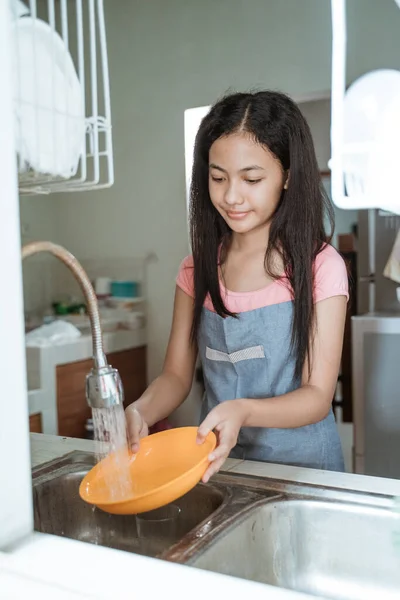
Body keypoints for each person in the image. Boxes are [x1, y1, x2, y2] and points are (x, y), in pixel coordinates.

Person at [125, 90, 348, 483]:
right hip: (220, 470)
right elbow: (176, 376)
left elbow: (316, 396)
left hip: (306, 474)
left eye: (252, 179)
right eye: (217, 177)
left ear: (288, 177)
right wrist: (142, 409)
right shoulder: (196, 269)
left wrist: (243, 410)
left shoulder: (320, 267)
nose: (230, 196)